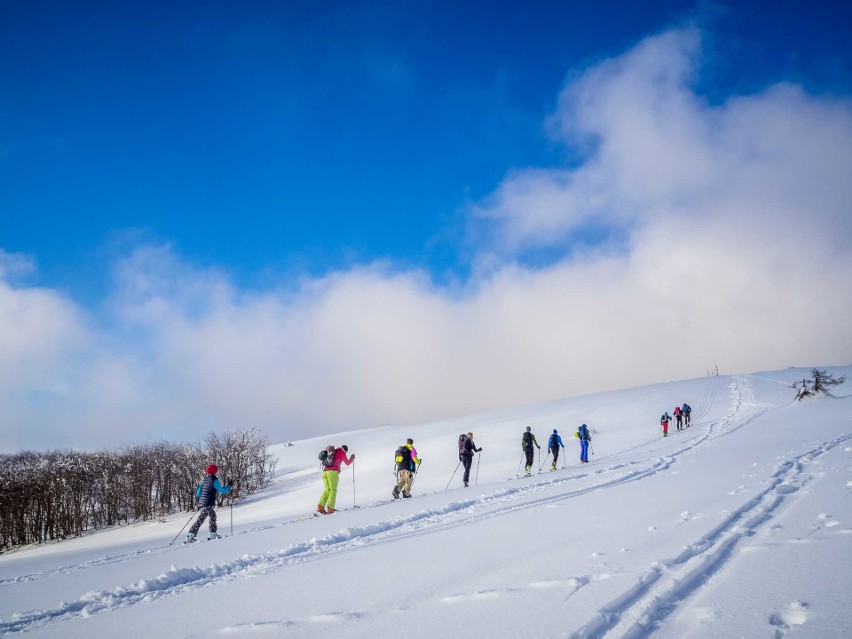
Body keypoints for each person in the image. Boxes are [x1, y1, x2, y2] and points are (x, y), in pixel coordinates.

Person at [186, 464, 233, 542]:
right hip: (208, 502)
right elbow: (222, 490)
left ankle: (195, 535)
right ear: (215, 471)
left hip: (203, 502)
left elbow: (198, 493)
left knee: (209, 517)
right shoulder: (214, 480)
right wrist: (229, 485)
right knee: (206, 518)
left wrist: (204, 498)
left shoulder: (204, 479)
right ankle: (193, 535)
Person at [317, 445, 355, 514]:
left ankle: (320, 507)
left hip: (325, 472)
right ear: (345, 450)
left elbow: (334, 462)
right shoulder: (342, 452)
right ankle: (330, 509)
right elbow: (347, 463)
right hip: (332, 473)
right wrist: (352, 458)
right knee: (333, 490)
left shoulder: (334, 451)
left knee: (327, 490)